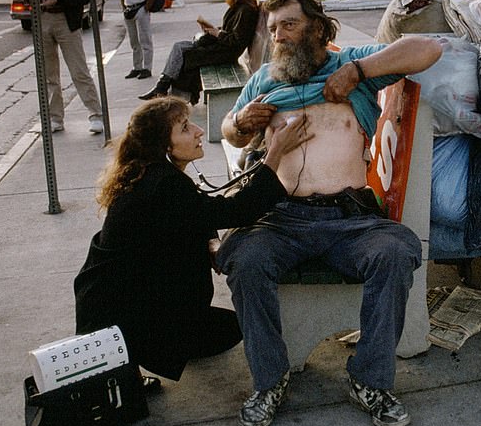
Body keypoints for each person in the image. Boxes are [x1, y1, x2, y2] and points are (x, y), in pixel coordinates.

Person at [217, 0, 441, 426]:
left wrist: (358, 71)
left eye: (289, 25)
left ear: (317, 29)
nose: (278, 36)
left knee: (395, 252)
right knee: (245, 259)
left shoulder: (351, 66)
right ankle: (270, 380)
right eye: (273, 27)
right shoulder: (265, 80)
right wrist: (241, 123)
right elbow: (229, 130)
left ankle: (370, 381)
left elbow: (428, 48)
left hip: (349, 219)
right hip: (283, 217)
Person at [73, 97, 312, 384]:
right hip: (122, 314)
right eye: (185, 128)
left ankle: (140, 353)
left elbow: (195, 211)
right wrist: (276, 152)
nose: (199, 131)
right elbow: (237, 210)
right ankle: (132, 354)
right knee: (233, 328)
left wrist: (210, 240)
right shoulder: (164, 184)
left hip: (109, 303)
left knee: (226, 330)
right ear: (165, 147)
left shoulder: (148, 174)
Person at [23, 0, 104, 134]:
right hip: (42, 19)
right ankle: (55, 118)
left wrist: (58, 0)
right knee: (49, 75)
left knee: (78, 70)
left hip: (65, 20)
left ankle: (95, 114)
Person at [139, 0, 259, 100]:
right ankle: (167, 90)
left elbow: (236, 41)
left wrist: (216, 33)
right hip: (222, 48)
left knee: (184, 55)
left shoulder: (245, 11)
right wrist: (213, 29)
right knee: (180, 49)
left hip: (225, 53)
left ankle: (168, 91)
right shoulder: (240, 8)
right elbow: (230, 31)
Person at [118, 0, 157, 80]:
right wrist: (124, 8)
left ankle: (147, 68)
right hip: (128, 11)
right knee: (134, 41)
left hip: (140, 9)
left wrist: (146, 8)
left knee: (145, 39)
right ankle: (137, 67)